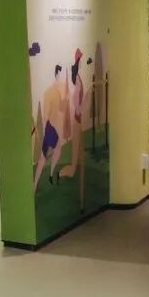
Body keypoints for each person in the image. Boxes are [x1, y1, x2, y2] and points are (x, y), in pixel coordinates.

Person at [59, 49, 87, 210]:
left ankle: (71, 173)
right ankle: (63, 173)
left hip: (79, 121)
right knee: (74, 164)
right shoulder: (77, 84)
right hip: (77, 121)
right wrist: (79, 113)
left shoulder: (78, 80)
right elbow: (77, 105)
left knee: (80, 156)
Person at [33, 65, 68, 190]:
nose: (62, 79)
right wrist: (45, 131)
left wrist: (65, 99)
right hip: (49, 127)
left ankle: (50, 174)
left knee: (56, 150)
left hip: (52, 128)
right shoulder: (49, 92)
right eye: (60, 75)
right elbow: (46, 114)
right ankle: (35, 185)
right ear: (56, 74)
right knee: (43, 157)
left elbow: (61, 109)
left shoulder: (58, 92)